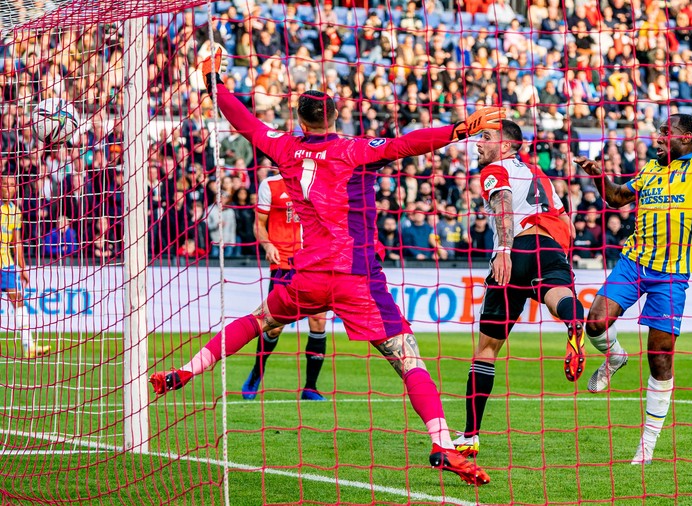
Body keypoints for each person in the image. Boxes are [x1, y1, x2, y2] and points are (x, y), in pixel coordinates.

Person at [149, 49, 504, 485]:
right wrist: (461, 129)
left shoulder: (284, 147)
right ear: (336, 117)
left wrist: (214, 85)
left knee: (258, 319)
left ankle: (185, 371)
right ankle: (442, 443)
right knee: (409, 361)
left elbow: (244, 122)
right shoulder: (354, 150)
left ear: (300, 121)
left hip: (307, 275)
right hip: (357, 279)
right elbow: (408, 143)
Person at [573, 69, 692, 465]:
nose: (656, 138)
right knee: (596, 322)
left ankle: (646, 446)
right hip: (634, 261)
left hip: (673, 273)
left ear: (685, 138)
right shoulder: (650, 171)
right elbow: (618, 199)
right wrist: (599, 178)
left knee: (660, 356)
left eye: (664, 133)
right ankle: (615, 356)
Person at [453, 120, 586, 458]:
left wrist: (503, 250)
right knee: (561, 299)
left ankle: (470, 435)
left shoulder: (495, 170)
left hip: (516, 252)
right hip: (552, 249)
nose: (477, 144)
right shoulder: (539, 174)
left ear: (507, 146)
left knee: (486, 350)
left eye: (485, 137)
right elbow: (567, 221)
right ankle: (574, 326)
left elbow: (504, 202)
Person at [241, 172, 329, 401]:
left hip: (315, 262)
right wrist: (267, 244)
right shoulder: (270, 185)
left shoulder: (320, 181)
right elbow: (259, 225)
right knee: (273, 325)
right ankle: (256, 373)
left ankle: (311, 387)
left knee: (318, 320)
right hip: (283, 263)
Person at [0, 176, 50, 358]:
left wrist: (23, 267)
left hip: (6, 264)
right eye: (5, 184)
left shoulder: (15, 211)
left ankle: (28, 346)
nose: (8, 188)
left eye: (12, 185)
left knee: (19, 301)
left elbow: (17, 242)